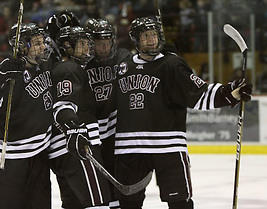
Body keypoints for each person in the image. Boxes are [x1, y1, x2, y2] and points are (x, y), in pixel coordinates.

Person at [113, 17, 253, 209]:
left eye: (153, 35)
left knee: (180, 203)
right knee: (128, 204)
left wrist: (229, 92)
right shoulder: (122, 67)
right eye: (145, 36)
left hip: (168, 147)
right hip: (130, 147)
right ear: (135, 40)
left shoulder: (172, 64)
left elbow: (198, 93)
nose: (151, 40)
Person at [0, 23, 54, 209]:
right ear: (21, 47)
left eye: (42, 42)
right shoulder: (9, 72)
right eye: (36, 43)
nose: (42, 46)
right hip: (10, 161)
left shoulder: (44, 67)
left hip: (40, 157)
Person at [50, 25, 111, 209]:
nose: (87, 48)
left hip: (65, 149)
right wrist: (74, 130)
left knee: (74, 205)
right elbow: (63, 105)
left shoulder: (69, 68)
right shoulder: (68, 68)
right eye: (82, 44)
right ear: (67, 46)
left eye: (87, 44)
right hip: (77, 148)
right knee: (97, 204)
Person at [85, 18, 133, 209]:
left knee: (117, 171)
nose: (104, 48)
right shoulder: (82, 64)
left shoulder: (123, 58)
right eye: (99, 43)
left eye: (107, 43)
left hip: (115, 128)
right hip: (92, 131)